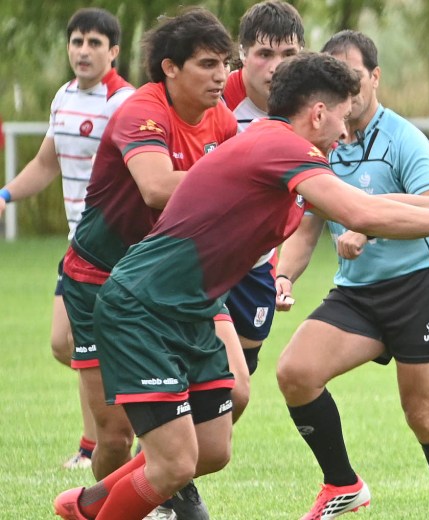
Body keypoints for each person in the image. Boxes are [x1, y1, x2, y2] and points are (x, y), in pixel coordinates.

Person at [54, 50, 429, 520]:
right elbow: (362, 212)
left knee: (211, 449)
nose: (344, 130)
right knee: (174, 464)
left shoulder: (286, 152)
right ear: (318, 112)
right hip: (144, 307)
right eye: (341, 117)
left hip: (190, 308)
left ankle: (89, 504)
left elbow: (366, 200)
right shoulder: (281, 148)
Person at [273, 31, 429, 520]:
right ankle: (343, 484)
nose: (348, 88)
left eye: (356, 77)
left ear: (376, 77)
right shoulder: (320, 141)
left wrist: (367, 228)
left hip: (421, 287)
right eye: (338, 79)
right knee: (296, 373)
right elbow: (307, 227)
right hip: (357, 293)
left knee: (424, 416)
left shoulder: (404, 138)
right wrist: (284, 276)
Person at [53, 7, 238, 520]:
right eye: (207, 64)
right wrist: (240, 185)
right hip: (101, 282)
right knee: (113, 435)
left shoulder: (220, 114)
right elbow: (156, 187)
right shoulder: (142, 110)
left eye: (226, 63)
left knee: (234, 399)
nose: (221, 75)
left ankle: (155, 483)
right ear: (170, 68)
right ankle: (147, 488)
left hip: (172, 282)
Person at [0, 8, 134, 470]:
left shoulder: (125, 103)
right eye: (76, 41)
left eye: (94, 43)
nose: (83, 50)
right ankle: (103, 429)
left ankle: (98, 441)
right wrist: (5, 194)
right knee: (66, 344)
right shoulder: (63, 97)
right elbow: (46, 162)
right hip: (79, 247)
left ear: (113, 51)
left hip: (117, 250)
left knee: (89, 345)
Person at [220, 0, 305, 380]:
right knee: (218, 382)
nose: (277, 66)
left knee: (240, 375)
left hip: (258, 266)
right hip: (206, 259)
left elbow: (311, 205)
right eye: (264, 54)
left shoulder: (311, 107)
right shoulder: (216, 98)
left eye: (288, 54)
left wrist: (283, 273)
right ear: (242, 54)